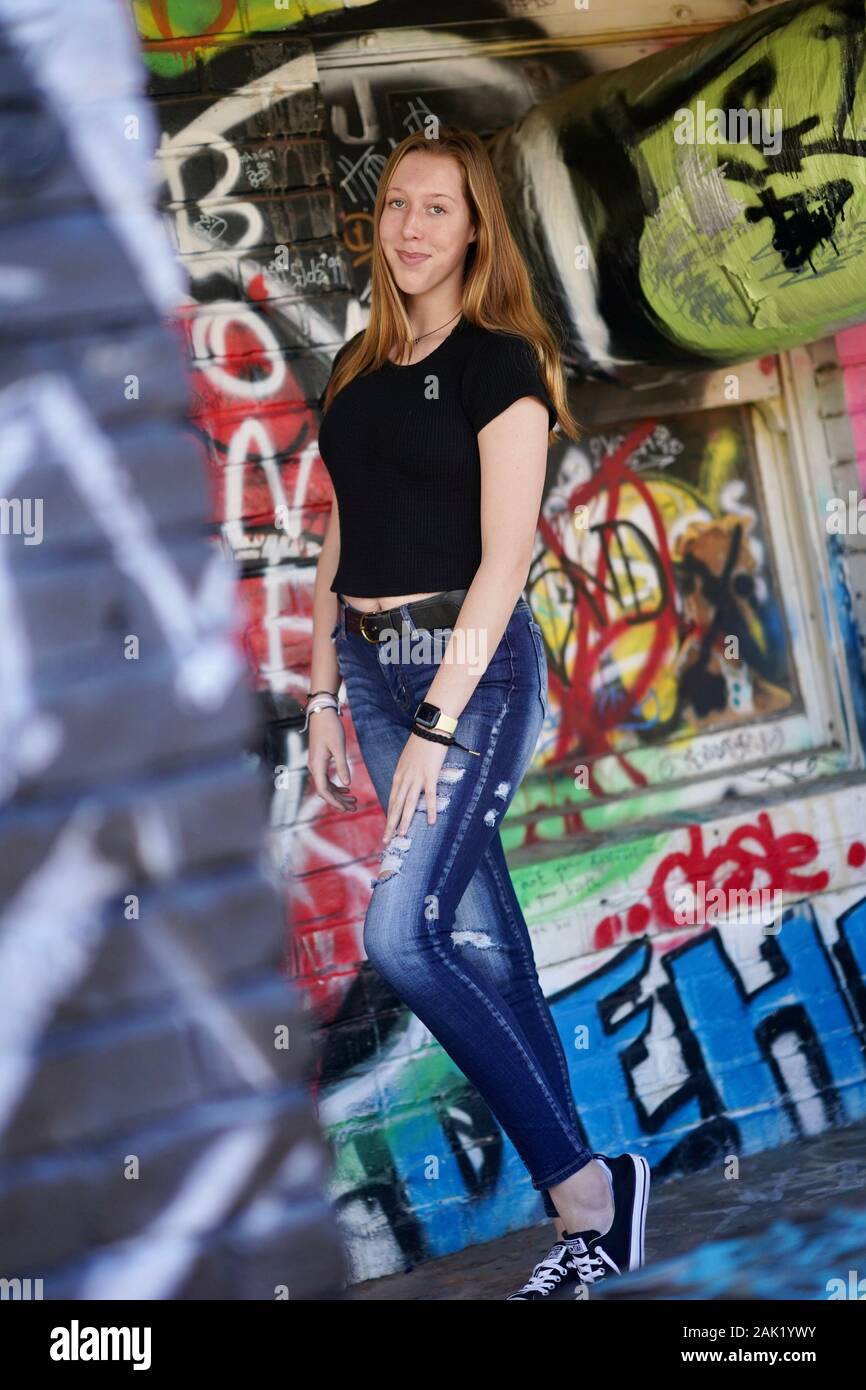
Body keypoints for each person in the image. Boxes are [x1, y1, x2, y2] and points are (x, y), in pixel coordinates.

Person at [306, 125, 650, 1299]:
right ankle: (591, 1235)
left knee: (402, 938)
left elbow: (505, 560)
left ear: (472, 232)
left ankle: (585, 1189)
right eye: (396, 205)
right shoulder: (353, 368)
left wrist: (442, 717)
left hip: (471, 667)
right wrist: (318, 691)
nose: (410, 226)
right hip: (369, 671)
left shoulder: (504, 363)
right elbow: (337, 538)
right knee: (490, 950)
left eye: (436, 210)